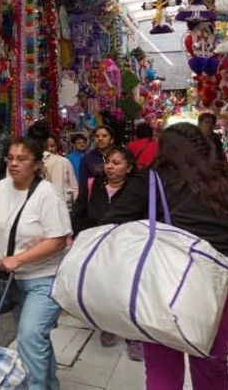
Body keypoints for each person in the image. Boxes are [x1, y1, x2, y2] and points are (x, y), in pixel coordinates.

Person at [101, 123, 228, 390]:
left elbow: (110, 224)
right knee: (213, 369)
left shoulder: (150, 182)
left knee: (163, 372)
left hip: (165, 289)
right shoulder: (225, 185)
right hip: (223, 289)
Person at [0, 138, 71, 390]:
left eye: (21, 159)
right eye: (10, 158)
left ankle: (35, 386)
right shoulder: (1, 188)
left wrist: (20, 259)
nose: (13, 163)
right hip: (12, 280)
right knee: (34, 338)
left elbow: (58, 239)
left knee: (29, 335)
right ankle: (49, 384)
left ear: (36, 164)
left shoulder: (48, 194)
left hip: (44, 278)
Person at [72, 146, 147, 361]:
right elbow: (79, 212)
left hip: (128, 250)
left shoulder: (136, 190)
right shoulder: (92, 184)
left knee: (129, 293)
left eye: (116, 163)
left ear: (129, 167)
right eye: (108, 162)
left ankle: (134, 337)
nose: (110, 167)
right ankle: (108, 325)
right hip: (98, 248)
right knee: (104, 291)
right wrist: (80, 238)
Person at [27, 121, 78, 204]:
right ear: (45, 142)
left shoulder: (59, 161)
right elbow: (59, 193)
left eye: (53, 145)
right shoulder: (58, 161)